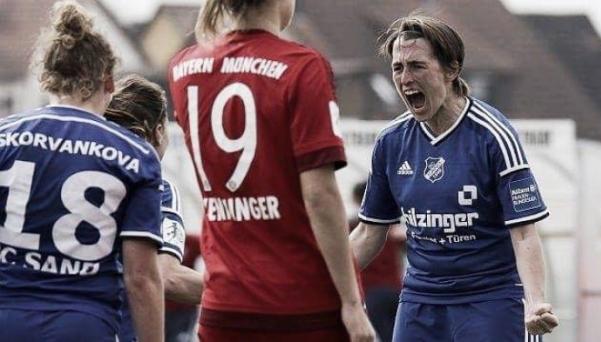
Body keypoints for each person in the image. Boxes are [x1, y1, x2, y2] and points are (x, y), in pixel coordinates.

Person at [167, 1, 375, 341]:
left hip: (223, 304)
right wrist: (352, 302)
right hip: (301, 307)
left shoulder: (183, 67)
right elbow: (320, 196)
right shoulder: (302, 66)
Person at [350, 14, 560, 341]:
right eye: (397, 68)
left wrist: (535, 302)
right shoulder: (391, 142)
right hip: (422, 299)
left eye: (417, 66)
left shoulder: (493, 136)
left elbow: (523, 233)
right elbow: (368, 232)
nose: (405, 78)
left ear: (452, 69)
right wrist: (318, 282)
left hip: (491, 298)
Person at [0, 2, 163, 342]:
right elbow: (141, 278)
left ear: (47, 78)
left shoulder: (3, 137)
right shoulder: (135, 156)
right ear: (109, 82)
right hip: (81, 324)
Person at [103, 74, 203, 342]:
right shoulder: (156, 188)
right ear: (159, 131)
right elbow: (166, 276)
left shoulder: (75, 171)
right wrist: (244, 293)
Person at [348, 181, 403, 342]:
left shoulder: (352, 227)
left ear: (355, 199)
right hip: (396, 290)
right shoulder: (389, 227)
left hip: (371, 292)